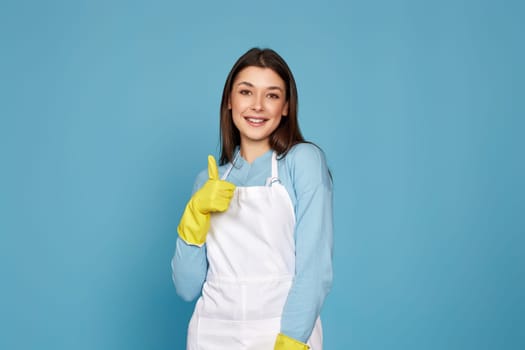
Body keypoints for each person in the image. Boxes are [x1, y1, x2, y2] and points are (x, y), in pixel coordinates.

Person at [171, 47, 333, 350]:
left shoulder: (302, 162)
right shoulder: (208, 180)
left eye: (272, 95)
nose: (257, 106)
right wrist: (195, 214)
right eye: (246, 92)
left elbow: (314, 269)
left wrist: (291, 341)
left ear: (285, 107)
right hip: (211, 333)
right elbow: (186, 287)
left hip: (280, 329)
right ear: (230, 102)